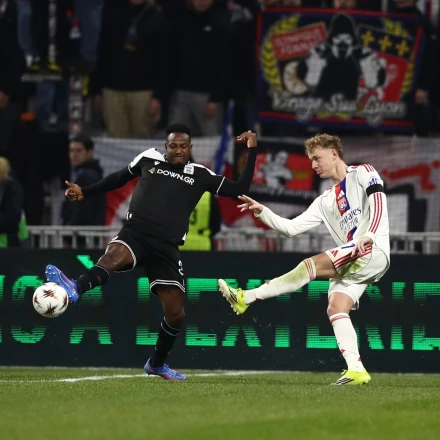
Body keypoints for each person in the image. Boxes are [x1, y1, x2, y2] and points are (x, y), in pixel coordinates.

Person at [45, 123, 258, 380]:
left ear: (190, 148)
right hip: (137, 232)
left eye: (183, 146)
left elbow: (239, 189)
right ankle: (75, 288)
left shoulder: (200, 174)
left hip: (166, 246)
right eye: (173, 146)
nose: (178, 150)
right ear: (166, 147)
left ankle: (156, 364)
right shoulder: (149, 158)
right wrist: (85, 192)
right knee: (112, 258)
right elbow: (118, 178)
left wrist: (252, 150)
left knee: (176, 313)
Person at [218, 133, 390, 386]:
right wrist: (263, 211)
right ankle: (356, 370)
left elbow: (379, 204)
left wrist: (370, 235)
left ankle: (247, 297)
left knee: (309, 266)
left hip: (372, 249)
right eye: (311, 160)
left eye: (317, 158)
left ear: (334, 153)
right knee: (336, 307)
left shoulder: (363, 172)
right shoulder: (325, 200)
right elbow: (290, 228)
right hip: (356, 260)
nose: (313, 165)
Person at [62, 133, 106, 228]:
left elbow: (81, 210)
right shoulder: (83, 174)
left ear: (89, 152)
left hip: (82, 233)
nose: (74, 154)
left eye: (79, 150)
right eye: (71, 150)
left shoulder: (88, 177)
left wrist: (69, 231)